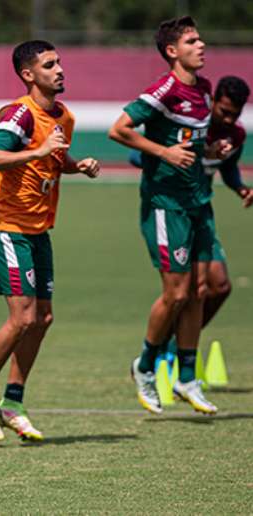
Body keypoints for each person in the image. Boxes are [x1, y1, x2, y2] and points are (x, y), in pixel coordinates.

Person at [0, 40, 100, 442]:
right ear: (28, 74)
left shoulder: (65, 116)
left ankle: (13, 402)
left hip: (38, 229)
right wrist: (38, 149)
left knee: (42, 318)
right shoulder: (20, 115)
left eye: (59, 62)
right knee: (22, 316)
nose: (59, 70)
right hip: (6, 226)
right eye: (49, 64)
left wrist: (77, 166)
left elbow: (54, 159)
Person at [109, 16, 220, 415]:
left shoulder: (204, 89)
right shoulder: (164, 89)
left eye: (200, 38)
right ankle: (145, 365)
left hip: (197, 203)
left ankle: (187, 376)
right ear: (172, 51)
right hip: (165, 204)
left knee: (199, 291)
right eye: (192, 40)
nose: (201, 44)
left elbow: (191, 144)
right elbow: (119, 130)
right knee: (175, 293)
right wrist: (163, 152)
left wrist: (212, 154)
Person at [129, 76, 251, 364]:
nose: (228, 118)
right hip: (171, 209)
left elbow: (228, 168)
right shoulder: (191, 128)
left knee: (219, 286)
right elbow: (136, 155)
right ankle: (158, 351)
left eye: (235, 113)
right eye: (223, 111)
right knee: (182, 292)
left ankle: (176, 346)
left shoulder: (235, 136)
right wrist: (172, 158)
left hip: (201, 211)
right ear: (213, 103)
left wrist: (240, 188)